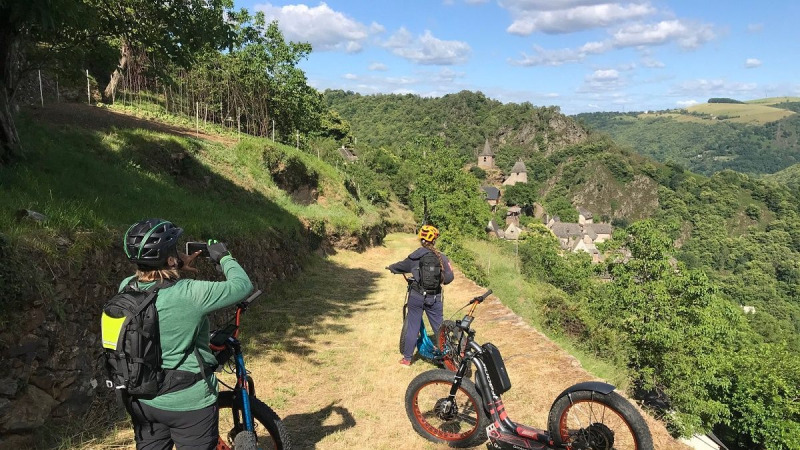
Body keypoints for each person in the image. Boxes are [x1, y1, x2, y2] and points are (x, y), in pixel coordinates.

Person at [119, 218, 253, 449]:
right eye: (174, 251)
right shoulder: (190, 293)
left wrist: (174, 264)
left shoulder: (126, 287)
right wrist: (224, 256)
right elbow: (242, 285)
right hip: (189, 404)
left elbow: (154, 281)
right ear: (170, 258)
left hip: (143, 399)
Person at [387, 225, 454, 366]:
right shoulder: (442, 257)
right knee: (439, 328)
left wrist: (391, 267)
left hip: (416, 296)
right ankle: (450, 358)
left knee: (413, 325)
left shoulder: (415, 256)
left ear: (421, 239)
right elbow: (449, 278)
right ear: (434, 240)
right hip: (434, 297)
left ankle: (407, 359)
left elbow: (401, 266)